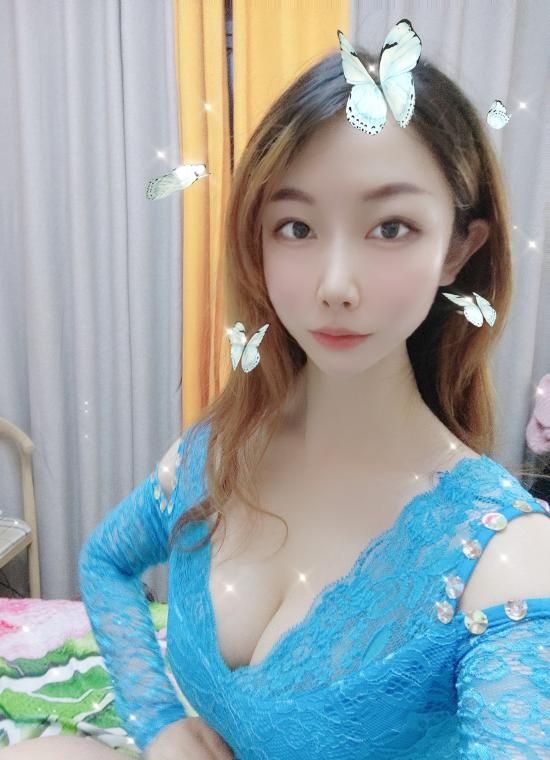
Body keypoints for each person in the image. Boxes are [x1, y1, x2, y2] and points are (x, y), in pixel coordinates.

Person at [5, 26, 550, 760]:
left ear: (458, 247)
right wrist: (160, 723)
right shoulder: (219, 449)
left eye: (390, 227)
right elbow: (106, 564)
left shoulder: (504, 557)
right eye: (295, 227)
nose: (335, 285)